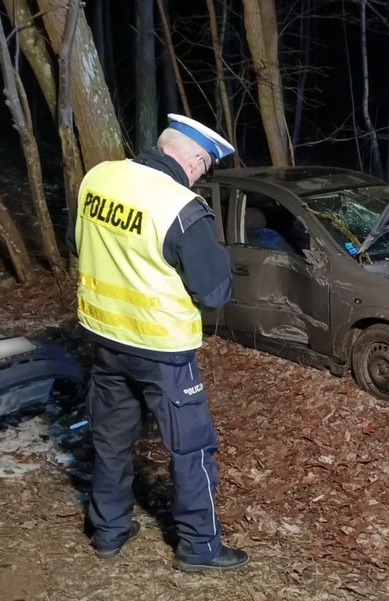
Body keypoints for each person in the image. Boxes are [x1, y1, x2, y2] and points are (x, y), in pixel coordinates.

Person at [65, 114, 248, 572]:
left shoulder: (99, 179)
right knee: (191, 448)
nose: (200, 176)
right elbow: (214, 292)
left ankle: (108, 529)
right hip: (161, 350)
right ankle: (199, 547)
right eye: (204, 166)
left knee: (110, 438)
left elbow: (76, 241)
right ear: (192, 159)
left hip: (104, 338)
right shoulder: (181, 207)